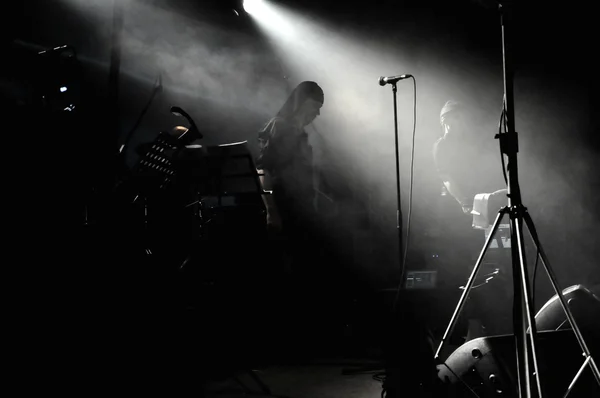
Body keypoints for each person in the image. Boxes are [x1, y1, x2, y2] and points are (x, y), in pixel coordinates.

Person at [433, 99, 513, 339]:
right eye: (458, 118)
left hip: (487, 210)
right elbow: (446, 178)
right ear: (446, 120)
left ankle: (497, 324)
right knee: (467, 270)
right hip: (460, 215)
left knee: (500, 262)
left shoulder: (474, 146)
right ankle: (468, 331)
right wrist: (466, 204)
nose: (463, 123)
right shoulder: (441, 146)